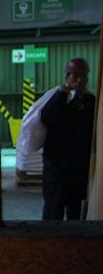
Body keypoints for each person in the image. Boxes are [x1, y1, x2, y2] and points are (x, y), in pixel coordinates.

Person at [40, 57, 96, 220]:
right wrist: (62, 94)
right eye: (75, 76)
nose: (79, 81)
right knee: (53, 208)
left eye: (82, 77)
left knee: (75, 208)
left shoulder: (89, 101)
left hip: (78, 166)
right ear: (67, 77)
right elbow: (46, 118)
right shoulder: (58, 97)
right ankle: (50, 242)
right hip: (56, 165)